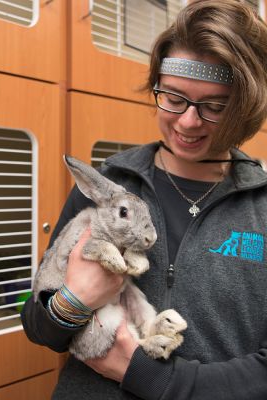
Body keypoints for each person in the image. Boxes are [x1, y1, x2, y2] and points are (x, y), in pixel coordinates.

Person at [21, 0, 267, 398]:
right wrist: (74, 301)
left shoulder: (262, 209)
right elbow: (38, 325)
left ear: (244, 107)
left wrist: (151, 377)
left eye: (214, 106)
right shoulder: (111, 184)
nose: (188, 121)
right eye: (173, 97)